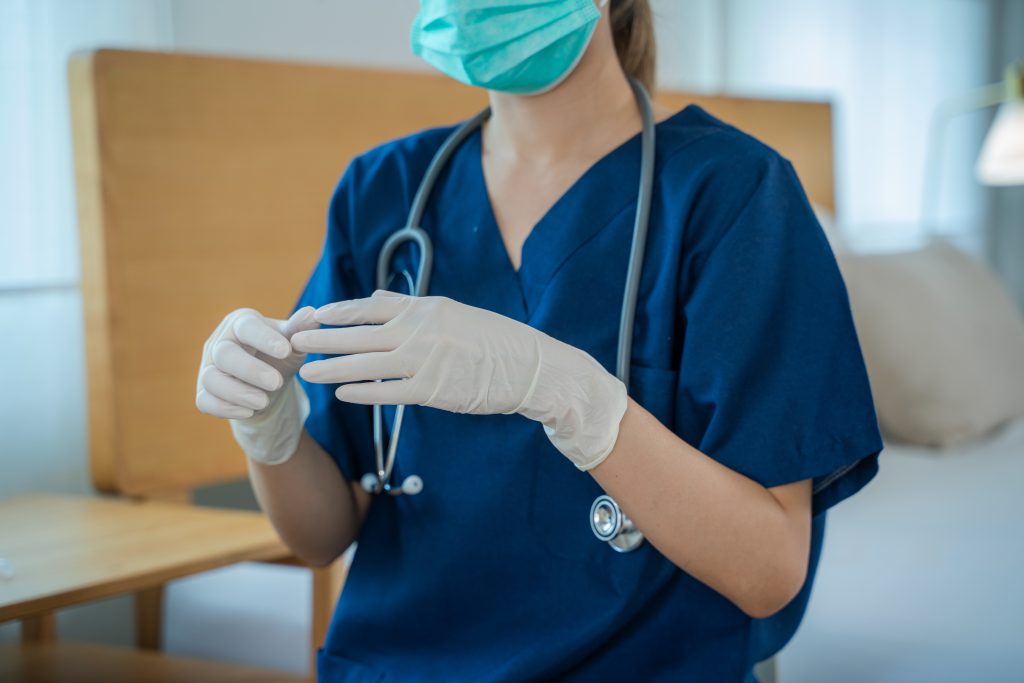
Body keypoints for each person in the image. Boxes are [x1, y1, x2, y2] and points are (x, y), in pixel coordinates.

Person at [196, 1, 883, 680]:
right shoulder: (382, 193)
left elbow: (768, 569)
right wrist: (269, 430)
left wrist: (570, 395)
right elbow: (322, 537)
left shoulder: (733, 192)